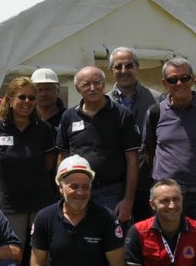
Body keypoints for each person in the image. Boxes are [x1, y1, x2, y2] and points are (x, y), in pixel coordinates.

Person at [142, 57, 196, 244]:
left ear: (193, 80)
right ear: (164, 83)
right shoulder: (155, 113)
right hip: (165, 199)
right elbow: (150, 152)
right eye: (173, 80)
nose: (179, 83)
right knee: (163, 255)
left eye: (184, 78)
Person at [58, 65, 140, 225]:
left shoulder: (122, 114)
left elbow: (133, 160)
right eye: (86, 84)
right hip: (76, 191)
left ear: (104, 84)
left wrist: (128, 201)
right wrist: (62, 189)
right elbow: (62, 156)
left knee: (109, 242)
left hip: (110, 192)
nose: (92, 88)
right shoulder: (69, 116)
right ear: (77, 88)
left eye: (97, 83)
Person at [0, 75, 58, 251]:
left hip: (41, 200)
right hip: (11, 202)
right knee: (13, 248)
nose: (27, 101)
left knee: (40, 247)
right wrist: (5, 188)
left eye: (32, 98)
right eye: (22, 97)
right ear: (10, 100)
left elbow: (48, 165)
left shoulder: (44, 129)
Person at [109, 46, 160, 221]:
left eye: (129, 66)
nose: (124, 71)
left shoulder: (156, 100)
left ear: (137, 68)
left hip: (147, 182)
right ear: (111, 70)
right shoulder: (103, 102)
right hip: (114, 184)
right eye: (118, 66)